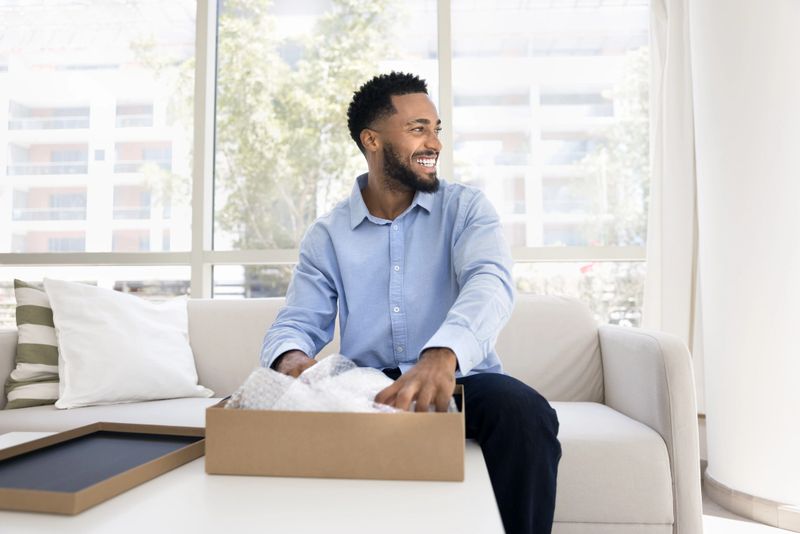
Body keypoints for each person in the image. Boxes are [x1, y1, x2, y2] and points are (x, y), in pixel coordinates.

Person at [261, 71, 561, 534]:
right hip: (369, 388)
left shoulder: (466, 209)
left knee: (524, 414)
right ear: (372, 140)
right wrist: (292, 359)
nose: (434, 143)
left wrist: (442, 354)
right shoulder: (328, 234)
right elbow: (298, 321)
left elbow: (490, 282)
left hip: (460, 379)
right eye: (418, 129)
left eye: (436, 129)